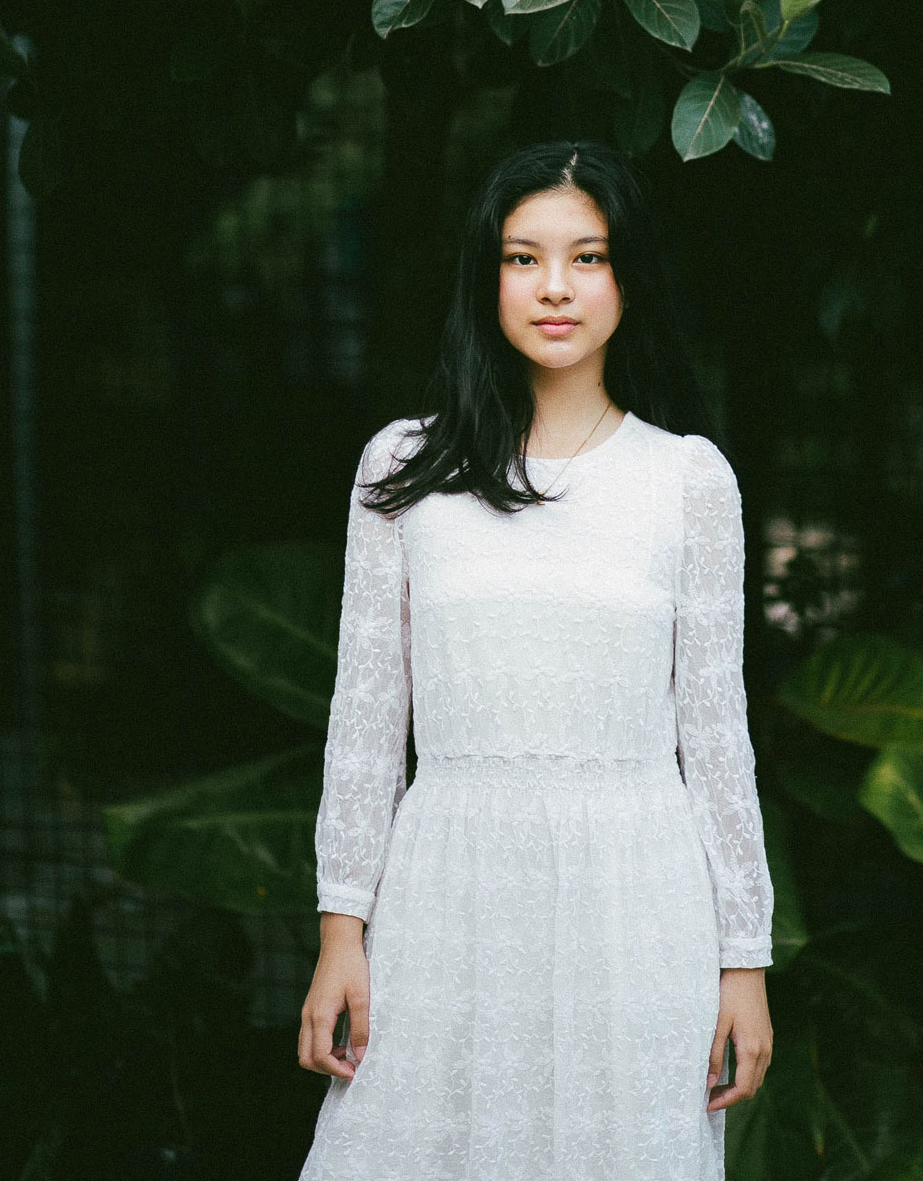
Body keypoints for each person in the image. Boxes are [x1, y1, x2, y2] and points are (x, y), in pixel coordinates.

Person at [296, 140, 774, 1181]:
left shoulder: (688, 480)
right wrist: (343, 935)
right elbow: (367, 722)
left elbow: (716, 735)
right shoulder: (405, 470)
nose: (554, 286)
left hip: (639, 905)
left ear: (628, 277)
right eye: (523, 258)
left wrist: (745, 963)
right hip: (444, 898)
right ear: (487, 277)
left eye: (587, 257)